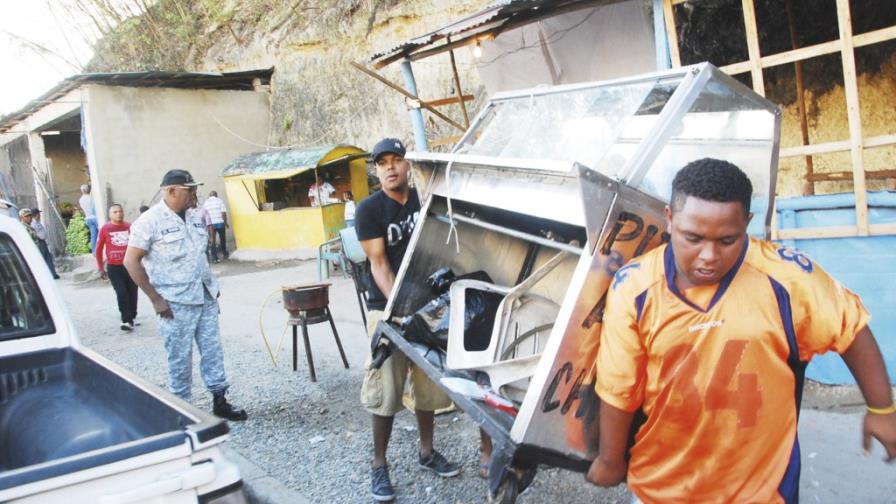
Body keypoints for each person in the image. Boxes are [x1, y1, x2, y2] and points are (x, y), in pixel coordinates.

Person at [586, 158, 896, 503]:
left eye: (727, 240)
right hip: (661, 487)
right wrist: (610, 460)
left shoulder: (788, 278)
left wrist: (882, 410)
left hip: (762, 491)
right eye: (693, 237)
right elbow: (619, 390)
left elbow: (850, 327)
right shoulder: (634, 286)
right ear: (670, 220)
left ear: (746, 223)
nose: (708, 255)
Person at [356, 138, 463, 501]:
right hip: (386, 307)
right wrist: (400, 311)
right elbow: (379, 264)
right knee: (385, 388)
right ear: (376, 170)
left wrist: (431, 308)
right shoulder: (370, 210)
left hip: (429, 306)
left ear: (407, 165)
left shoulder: (427, 197)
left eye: (396, 160)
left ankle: (427, 452)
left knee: (428, 384)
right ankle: (379, 464)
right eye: (382, 162)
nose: (389, 168)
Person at [124, 169, 247, 422]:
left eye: (195, 189)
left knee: (213, 351)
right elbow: (131, 262)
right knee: (179, 357)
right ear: (170, 191)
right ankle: (182, 410)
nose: (195, 195)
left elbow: (199, 255)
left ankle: (220, 400)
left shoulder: (195, 218)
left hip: (205, 296)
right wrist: (155, 299)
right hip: (175, 303)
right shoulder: (149, 222)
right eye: (189, 190)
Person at [96, 204, 139, 331]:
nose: (118, 214)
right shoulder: (105, 228)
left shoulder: (129, 227)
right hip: (114, 267)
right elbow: (98, 249)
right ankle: (126, 320)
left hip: (130, 266)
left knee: (132, 292)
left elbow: (137, 245)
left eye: (120, 211)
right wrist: (100, 268)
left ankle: (132, 314)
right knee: (121, 292)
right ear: (110, 215)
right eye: (115, 212)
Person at [29, 209, 60, 279]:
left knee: (48, 258)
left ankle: (53, 274)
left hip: (42, 242)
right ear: (36, 214)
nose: (40, 215)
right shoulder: (33, 223)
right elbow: (35, 234)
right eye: (38, 213)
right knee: (43, 259)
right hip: (39, 242)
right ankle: (47, 275)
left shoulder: (37, 222)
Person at [202, 191, 229, 263]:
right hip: (220, 222)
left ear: (209, 195)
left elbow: (204, 215)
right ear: (216, 195)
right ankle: (224, 253)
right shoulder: (220, 201)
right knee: (222, 238)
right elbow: (223, 213)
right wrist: (225, 223)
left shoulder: (206, 203)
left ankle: (214, 258)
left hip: (211, 224)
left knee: (212, 240)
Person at [79, 183, 98, 252]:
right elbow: (94, 209)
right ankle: (100, 251)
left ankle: (94, 251)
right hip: (95, 218)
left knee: (93, 236)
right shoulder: (92, 198)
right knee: (100, 235)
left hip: (88, 218)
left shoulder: (81, 200)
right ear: (89, 190)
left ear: (82, 191)